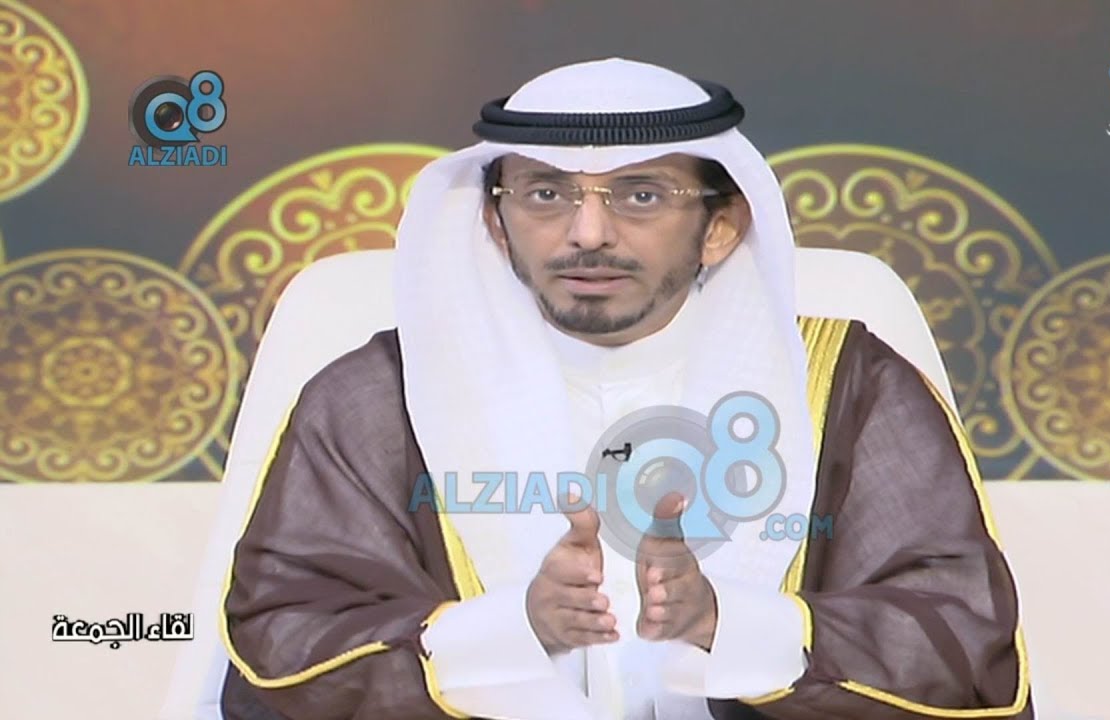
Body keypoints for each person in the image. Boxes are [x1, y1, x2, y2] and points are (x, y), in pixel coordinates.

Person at [219, 58, 1033, 720]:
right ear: (496, 223)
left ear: (721, 225)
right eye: (546, 194)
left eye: (641, 195)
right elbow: (282, 641)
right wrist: (514, 629)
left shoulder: (851, 388)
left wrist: (725, 623)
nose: (588, 233)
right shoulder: (381, 397)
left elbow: (959, 636)